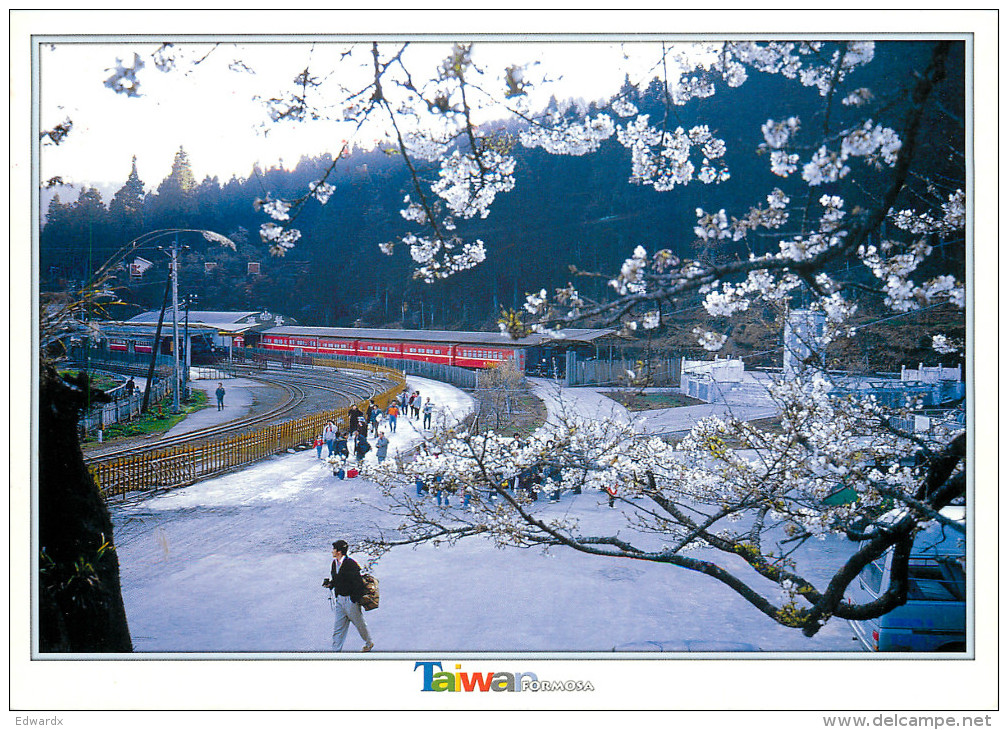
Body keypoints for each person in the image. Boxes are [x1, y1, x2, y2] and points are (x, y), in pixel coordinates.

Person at [322, 540, 374, 652]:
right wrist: (330, 584)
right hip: (340, 600)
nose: (332, 551)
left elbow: (358, 584)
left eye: (334, 549)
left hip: (350, 601)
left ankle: (369, 642)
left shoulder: (351, 564)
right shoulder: (334, 564)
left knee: (359, 624)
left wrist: (354, 599)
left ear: (339, 551)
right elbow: (337, 581)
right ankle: (336, 652)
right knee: (338, 629)